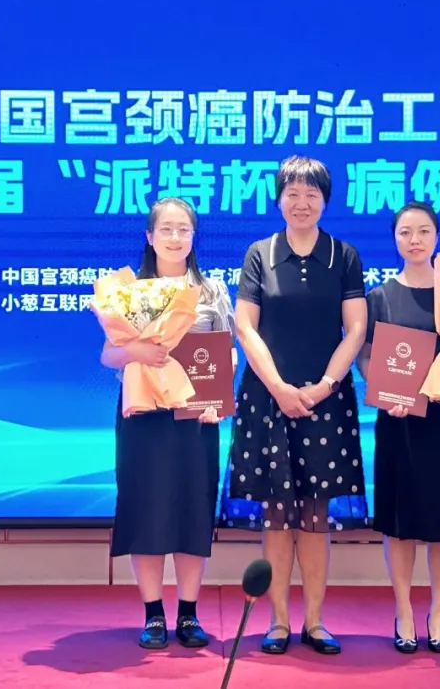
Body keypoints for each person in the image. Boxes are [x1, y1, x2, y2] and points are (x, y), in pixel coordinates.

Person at [220, 155, 369, 656]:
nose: (301, 203)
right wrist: (280, 388)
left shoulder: (343, 255)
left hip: (326, 402)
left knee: (315, 517)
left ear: (325, 200)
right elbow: (245, 328)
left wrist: (325, 385)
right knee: (277, 517)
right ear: (279, 198)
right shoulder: (259, 254)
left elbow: (356, 330)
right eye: (292, 193)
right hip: (268, 400)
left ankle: (316, 622)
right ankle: (279, 622)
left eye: (312, 194)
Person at [101, 197, 236, 650]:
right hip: (143, 416)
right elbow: (108, 355)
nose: (175, 237)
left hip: (196, 416)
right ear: (150, 236)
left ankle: (189, 614)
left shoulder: (211, 290)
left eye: (184, 229)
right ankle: (153, 614)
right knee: (146, 508)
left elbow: (228, 350)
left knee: (192, 508)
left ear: (194, 237)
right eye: (166, 229)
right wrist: (136, 351)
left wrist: (219, 398)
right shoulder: (130, 291)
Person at [356, 201, 440, 655]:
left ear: (437, 237)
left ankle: (437, 611)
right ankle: (403, 611)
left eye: (423, 231)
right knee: (400, 523)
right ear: (394, 239)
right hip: (400, 422)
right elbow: (365, 357)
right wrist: (383, 391)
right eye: (405, 232)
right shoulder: (379, 297)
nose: (414, 240)